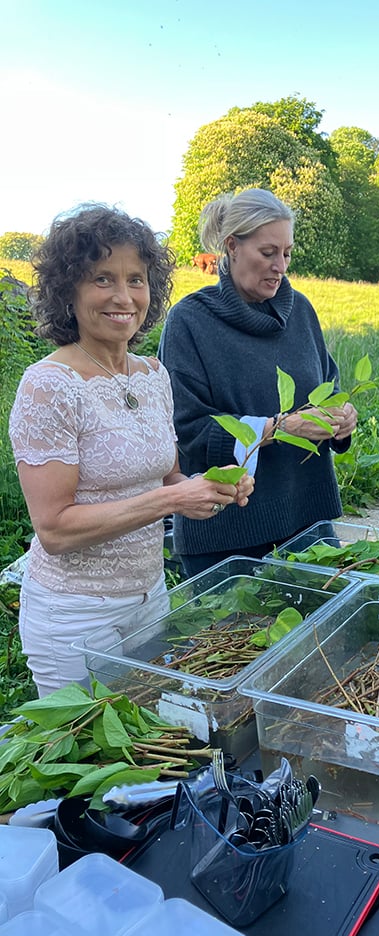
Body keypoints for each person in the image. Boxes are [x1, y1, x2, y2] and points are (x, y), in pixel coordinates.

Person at [8, 204, 254, 698]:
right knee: (86, 754)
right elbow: (54, 529)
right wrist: (172, 502)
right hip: (74, 616)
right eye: (103, 279)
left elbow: (167, 478)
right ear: (68, 291)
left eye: (136, 279)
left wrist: (209, 487)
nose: (123, 296)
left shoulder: (151, 375)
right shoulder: (50, 386)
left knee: (147, 745)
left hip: (149, 599)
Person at [158, 188, 357, 578]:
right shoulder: (190, 322)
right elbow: (185, 430)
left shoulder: (301, 311)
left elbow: (329, 386)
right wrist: (276, 429)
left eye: (287, 253)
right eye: (268, 253)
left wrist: (341, 418)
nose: (280, 266)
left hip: (307, 525)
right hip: (225, 536)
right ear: (232, 247)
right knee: (232, 640)